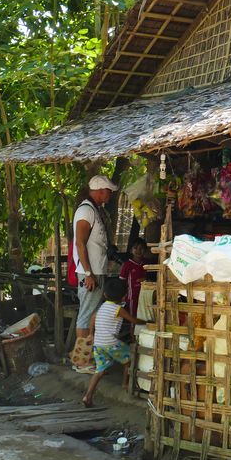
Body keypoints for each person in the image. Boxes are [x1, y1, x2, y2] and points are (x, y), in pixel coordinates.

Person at [82, 277, 145, 408]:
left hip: (98, 344)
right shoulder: (118, 309)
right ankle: (125, 383)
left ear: (105, 294)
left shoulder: (102, 307)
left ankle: (87, 395)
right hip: (111, 343)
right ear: (123, 297)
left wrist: (91, 333)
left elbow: (92, 318)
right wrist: (147, 322)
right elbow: (134, 321)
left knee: (99, 371)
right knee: (129, 359)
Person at [72, 174, 119, 348]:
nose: (110, 194)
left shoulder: (95, 210)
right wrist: (88, 273)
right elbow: (79, 243)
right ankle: (81, 360)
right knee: (85, 316)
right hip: (89, 273)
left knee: (92, 314)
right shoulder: (86, 211)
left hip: (96, 270)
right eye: (109, 191)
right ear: (100, 191)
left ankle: (87, 355)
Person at [119, 238, 148, 319]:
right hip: (132, 297)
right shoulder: (127, 265)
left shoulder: (146, 264)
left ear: (145, 250)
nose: (138, 251)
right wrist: (123, 295)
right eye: (135, 248)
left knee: (144, 316)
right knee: (134, 318)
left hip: (145, 296)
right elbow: (122, 281)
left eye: (141, 248)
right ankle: (133, 332)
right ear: (131, 250)